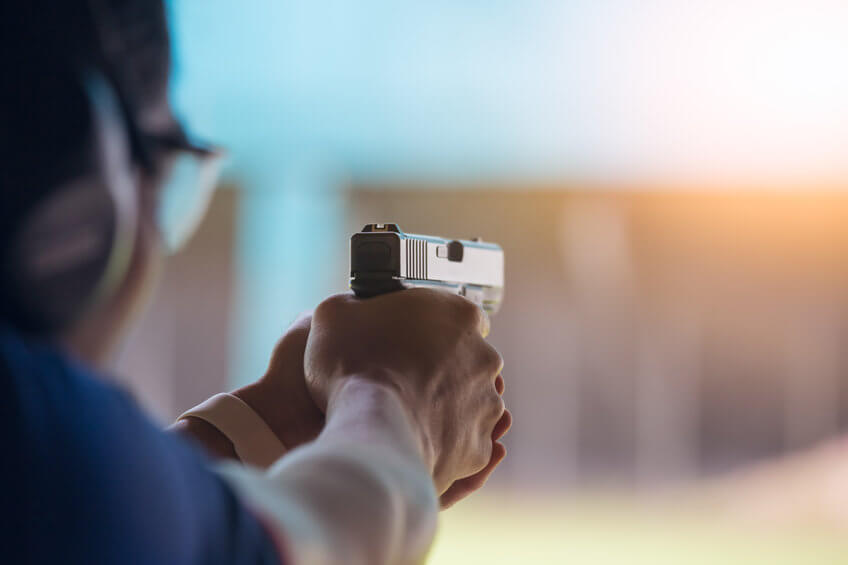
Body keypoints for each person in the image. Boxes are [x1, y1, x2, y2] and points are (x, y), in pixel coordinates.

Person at [0, 2, 511, 564]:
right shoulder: (37, 439)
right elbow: (323, 548)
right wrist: (395, 404)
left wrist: (264, 423)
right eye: (166, 171)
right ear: (79, 200)